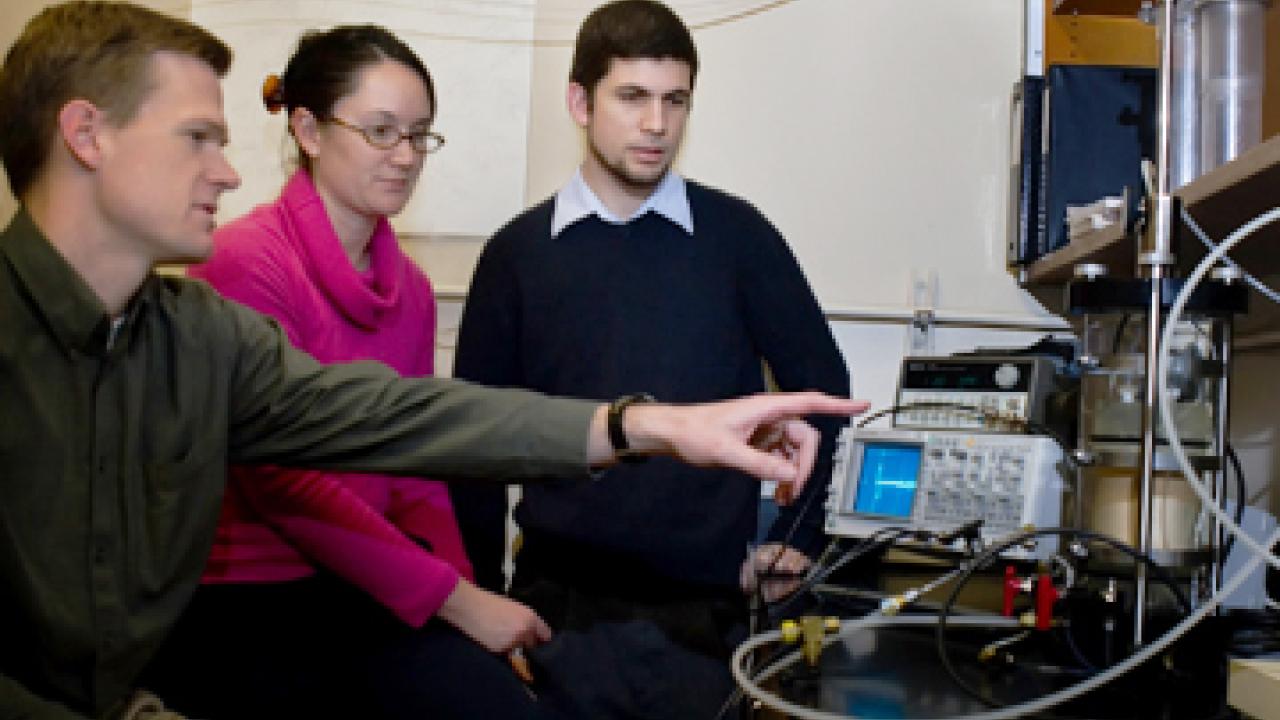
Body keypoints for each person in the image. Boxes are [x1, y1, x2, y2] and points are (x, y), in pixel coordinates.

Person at [0, 3, 866, 719]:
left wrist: (651, 432)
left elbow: (421, 429)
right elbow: (311, 480)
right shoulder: (249, 277)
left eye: (420, 134)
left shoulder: (210, 328)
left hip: (568, 597)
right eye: (197, 138)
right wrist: (463, 594)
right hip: (286, 604)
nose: (227, 173)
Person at [133, 25, 561, 720]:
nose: (405, 156)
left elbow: (416, 464)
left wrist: (462, 600)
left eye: (419, 135)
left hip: (368, 578)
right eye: (381, 131)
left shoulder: (413, 290)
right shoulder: (245, 260)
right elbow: (280, 480)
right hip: (248, 592)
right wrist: (456, 600)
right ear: (308, 128)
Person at [451, 1, 852, 717]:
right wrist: (475, 602)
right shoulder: (516, 256)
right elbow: (473, 446)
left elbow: (823, 393)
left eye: (675, 101)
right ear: (580, 100)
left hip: (707, 621)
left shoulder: (739, 238)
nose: (656, 124)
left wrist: (799, 541)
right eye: (631, 97)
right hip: (555, 617)